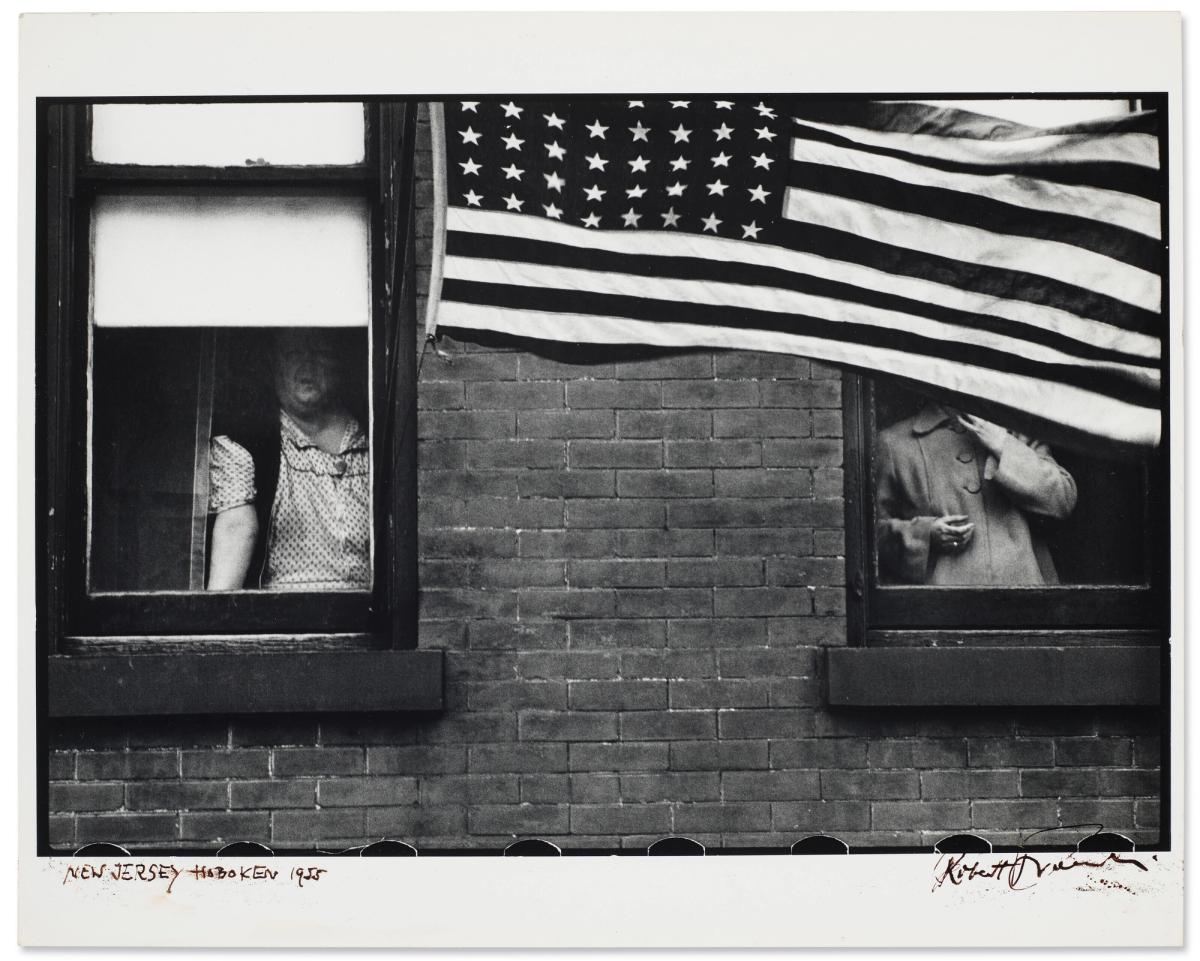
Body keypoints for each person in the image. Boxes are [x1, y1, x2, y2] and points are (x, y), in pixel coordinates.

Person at [206, 328, 370, 591]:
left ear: (339, 362)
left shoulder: (372, 441)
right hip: (286, 621)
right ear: (273, 362)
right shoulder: (248, 444)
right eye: (294, 353)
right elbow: (236, 529)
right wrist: (213, 624)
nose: (307, 365)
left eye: (321, 354)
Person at [875, 403, 1077, 585]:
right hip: (943, 608)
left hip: (1023, 603)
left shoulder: (1018, 432)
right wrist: (925, 534)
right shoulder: (894, 442)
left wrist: (1004, 446)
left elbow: (1063, 499)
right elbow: (870, 535)